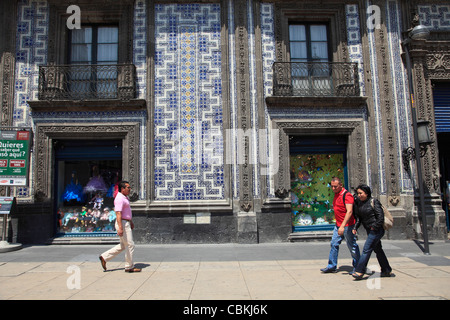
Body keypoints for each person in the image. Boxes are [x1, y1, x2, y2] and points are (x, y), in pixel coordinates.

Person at [352, 184, 392, 280]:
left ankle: (360, 271)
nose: (359, 195)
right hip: (369, 230)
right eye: (358, 193)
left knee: (367, 249)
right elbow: (359, 218)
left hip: (376, 230)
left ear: (366, 193)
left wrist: (374, 227)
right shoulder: (359, 203)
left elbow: (380, 217)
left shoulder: (374, 202)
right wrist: (355, 227)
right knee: (378, 249)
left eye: (361, 193)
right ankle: (386, 269)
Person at [99, 181, 141, 273]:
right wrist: (121, 227)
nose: (130, 189)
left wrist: (131, 221)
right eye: (128, 188)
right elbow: (118, 213)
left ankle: (104, 257)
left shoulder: (124, 197)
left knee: (123, 245)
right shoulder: (119, 199)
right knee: (130, 244)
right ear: (122, 189)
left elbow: (126, 212)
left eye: (130, 188)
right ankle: (129, 266)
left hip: (126, 222)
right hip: (122, 223)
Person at [320, 177, 360, 273]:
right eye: (332, 186)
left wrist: (342, 226)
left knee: (352, 245)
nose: (333, 189)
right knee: (334, 243)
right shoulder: (336, 194)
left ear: (341, 185)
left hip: (347, 225)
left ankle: (358, 266)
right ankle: (332, 265)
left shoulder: (347, 195)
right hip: (338, 225)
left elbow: (349, 211)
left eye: (335, 187)